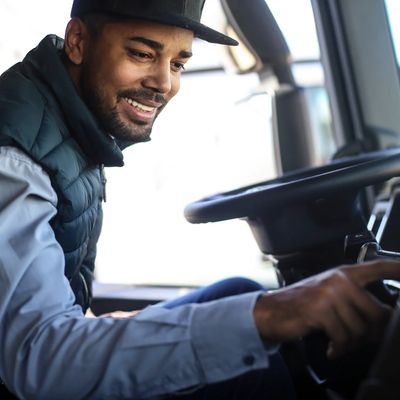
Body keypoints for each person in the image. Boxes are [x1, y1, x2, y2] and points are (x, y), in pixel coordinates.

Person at [0, 0, 400, 399]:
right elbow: (38, 360)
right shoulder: (14, 161)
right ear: (77, 41)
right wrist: (273, 315)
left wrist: (105, 324)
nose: (164, 83)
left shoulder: (63, 123)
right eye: (141, 54)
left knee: (238, 293)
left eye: (178, 64)